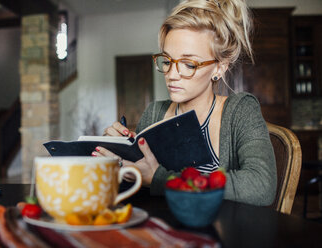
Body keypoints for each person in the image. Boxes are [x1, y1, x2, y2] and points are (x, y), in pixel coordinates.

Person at [93, 0, 276, 206]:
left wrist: (159, 179)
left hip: (223, 234)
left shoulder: (240, 111)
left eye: (189, 64)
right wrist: (113, 156)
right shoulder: (154, 113)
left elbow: (261, 186)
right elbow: (134, 195)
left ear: (220, 68)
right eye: (167, 61)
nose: (172, 75)